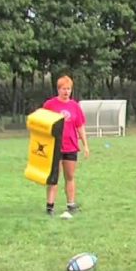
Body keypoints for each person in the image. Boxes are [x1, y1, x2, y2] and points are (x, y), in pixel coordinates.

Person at [42, 75, 90, 219]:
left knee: (70, 176)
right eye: (64, 88)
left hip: (71, 146)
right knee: (53, 178)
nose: (66, 91)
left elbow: (80, 126)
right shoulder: (50, 105)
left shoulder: (75, 106)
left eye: (69, 89)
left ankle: (71, 204)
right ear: (58, 89)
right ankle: (50, 206)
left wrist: (85, 145)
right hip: (54, 147)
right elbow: (42, 122)